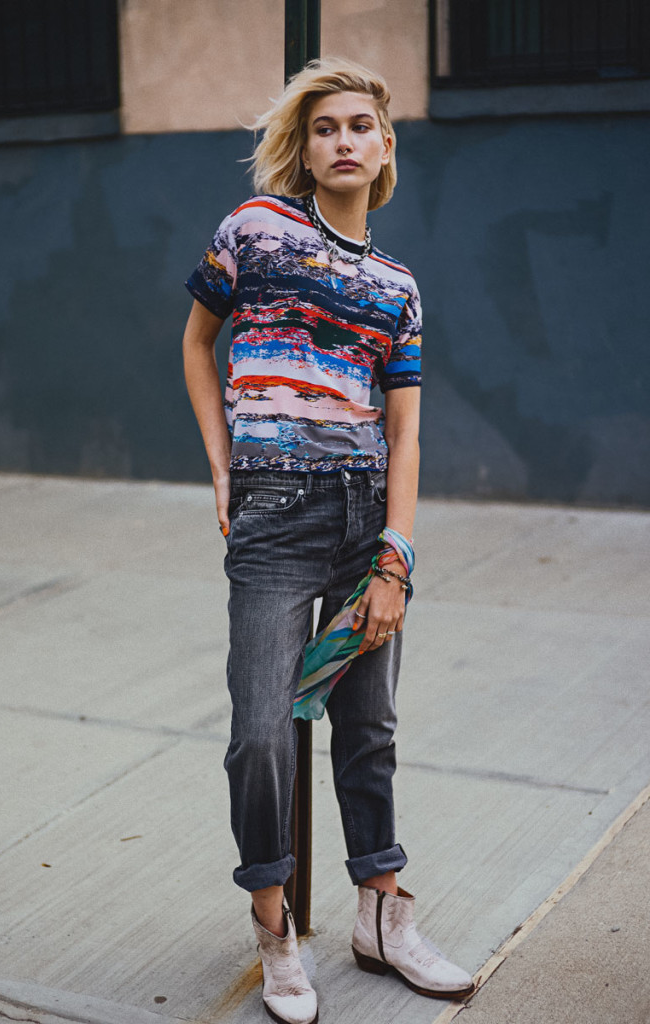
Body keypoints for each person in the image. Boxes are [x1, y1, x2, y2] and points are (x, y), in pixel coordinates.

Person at [182, 58, 474, 1024]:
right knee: (261, 733)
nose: (343, 140)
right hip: (271, 521)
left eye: (360, 127)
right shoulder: (255, 229)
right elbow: (197, 342)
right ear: (304, 151)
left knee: (369, 727)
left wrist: (396, 556)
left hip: (363, 522)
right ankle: (276, 929)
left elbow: (406, 433)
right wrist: (222, 464)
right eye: (324, 128)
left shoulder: (399, 287)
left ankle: (381, 914)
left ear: (385, 150)